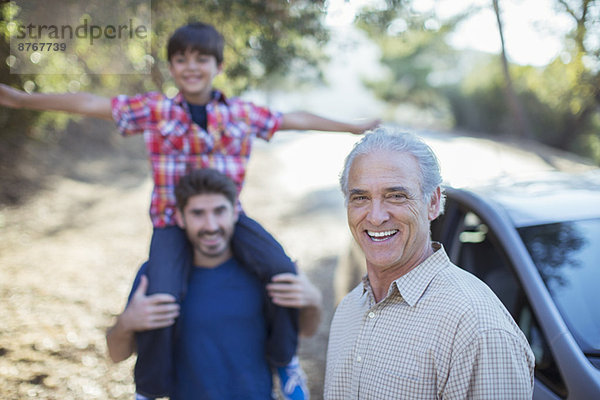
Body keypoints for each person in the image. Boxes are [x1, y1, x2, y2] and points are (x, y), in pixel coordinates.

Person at [0, 22, 377, 398]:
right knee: (161, 297)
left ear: (219, 66)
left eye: (201, 58)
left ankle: (284, 361)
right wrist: (20, 99)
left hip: (232, 219)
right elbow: (89, 103)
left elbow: (295, 119)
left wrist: (350, 128)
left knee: (281, 269)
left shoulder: (240, 114)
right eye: (180, 59)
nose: (191, 66)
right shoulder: (155, 110)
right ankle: (150, 389)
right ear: (171, 68)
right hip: (171, 224)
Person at [324, 127, 535, 399]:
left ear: (433, 203)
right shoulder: (350, 309)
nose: (375, 217)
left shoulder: (476, 329)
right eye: (361, 197)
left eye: (396, 196)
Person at [107, 168, 323, 400]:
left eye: (219, 211)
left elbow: (305, 331)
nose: (210, 225)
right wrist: (127, 321)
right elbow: (116, 354)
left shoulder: (261, 271)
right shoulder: (157, 277)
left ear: (234, 212)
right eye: (198, 214)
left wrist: (314, 300)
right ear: (180, 217)